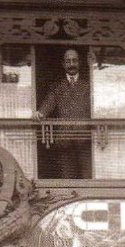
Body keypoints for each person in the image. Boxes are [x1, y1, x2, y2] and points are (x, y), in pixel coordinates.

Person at [35, 47, 92, 178]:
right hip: (64, 141)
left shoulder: (88, 85)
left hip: (85, 140)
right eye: (68, 61)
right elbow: (49, 103)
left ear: (79, 63)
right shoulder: (57, 87)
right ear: (63, 64)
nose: (71, 64)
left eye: (74, 61)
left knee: (88, 177)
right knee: (67, 178)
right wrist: (40, 113)